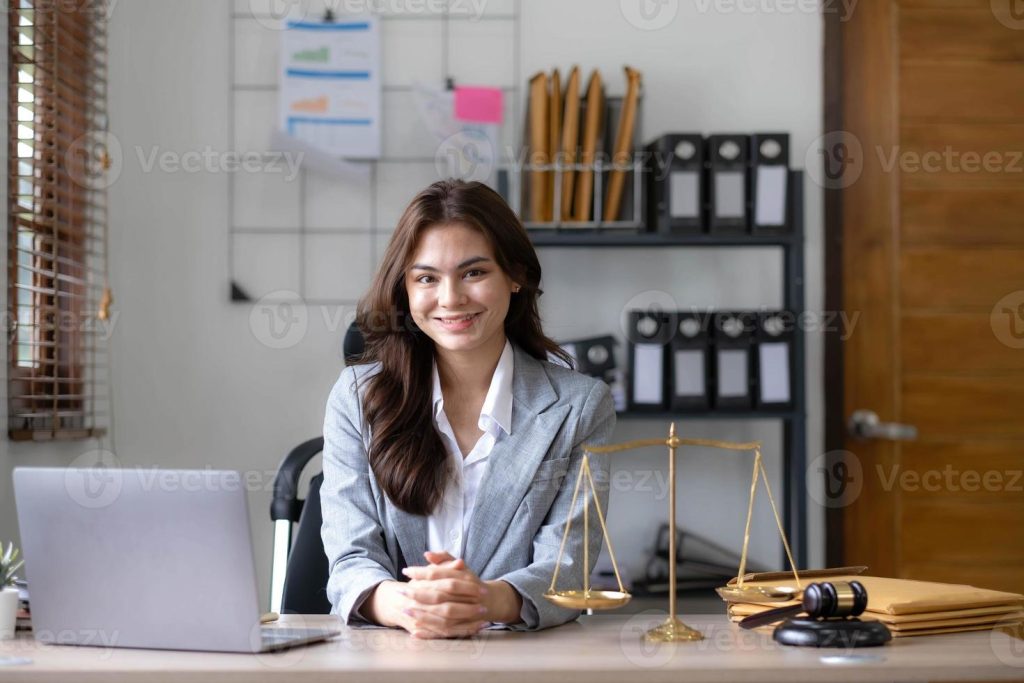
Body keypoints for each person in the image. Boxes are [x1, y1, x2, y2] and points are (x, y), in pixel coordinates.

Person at [321, 179, 615, 639]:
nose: (451, 298)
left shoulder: (579, 406)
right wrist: (408, 604)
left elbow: (567, 569)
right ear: (405, 289)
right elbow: (349, 558)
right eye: (427, 278)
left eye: (474, 273)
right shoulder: (357, 398)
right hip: (390, 656)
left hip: (518, 660)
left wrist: (480, 599)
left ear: (515, 275)